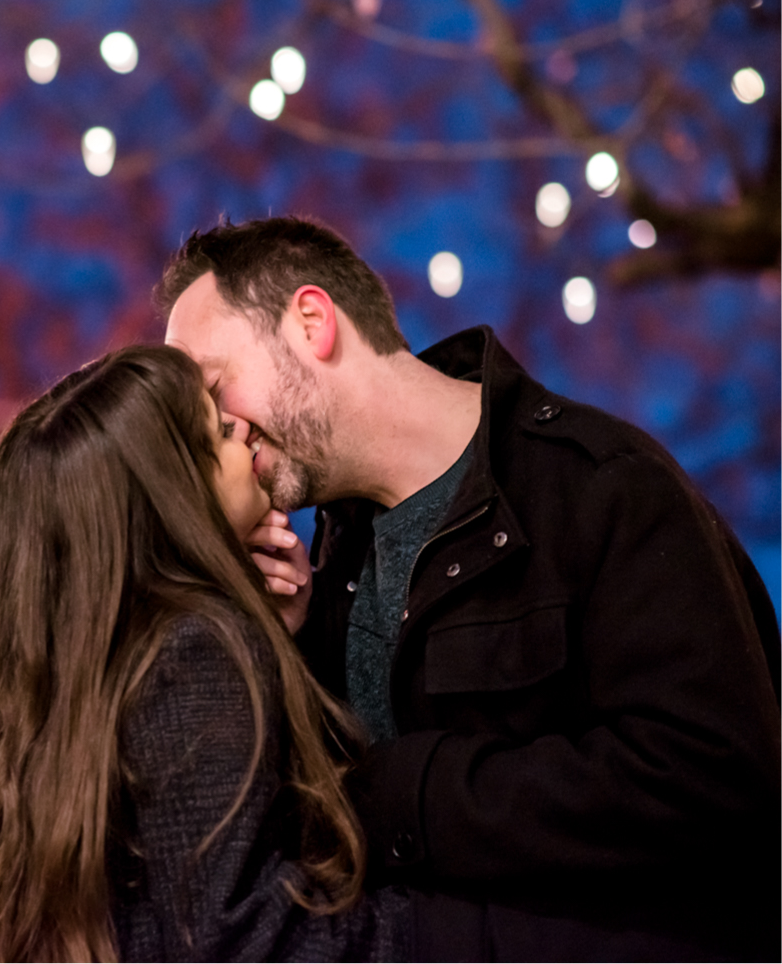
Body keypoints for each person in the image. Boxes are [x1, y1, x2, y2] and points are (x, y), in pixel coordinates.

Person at [159, 215, 782, 961]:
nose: (214, 431)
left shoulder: (599, 488)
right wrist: (288, 651)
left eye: (214, 388)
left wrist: (402, 794)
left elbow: (714, 778)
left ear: (312, 322)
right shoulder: (334, 556)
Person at [0, 344, 408, 962]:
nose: (248, 435)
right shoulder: (197, 653)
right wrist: (471, 933)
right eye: (220, 431)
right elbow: (248, 939)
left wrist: (280, 638)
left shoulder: (85, 683)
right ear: (175, 494)